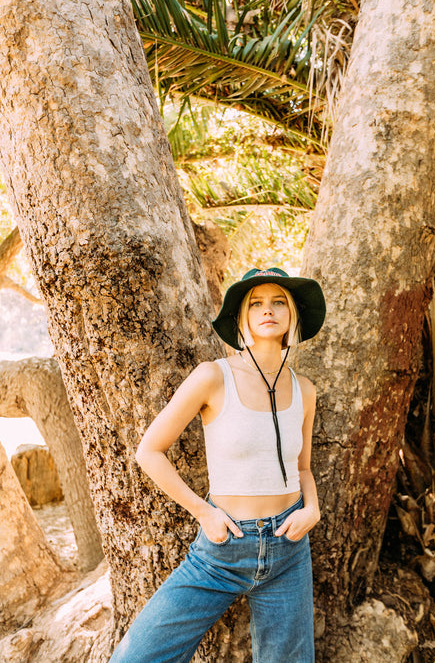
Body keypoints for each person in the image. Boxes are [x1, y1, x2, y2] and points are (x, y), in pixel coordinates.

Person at [110, 267, 326, 663]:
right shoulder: (213, 376)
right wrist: (203, 512)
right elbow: (149, 451)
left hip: (290, 548)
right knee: (136, 657)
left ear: (292, 315)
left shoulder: (305, 390)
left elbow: (303, 467)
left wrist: (312, 509)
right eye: (256, 303)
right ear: (241, 318)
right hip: (223, 547)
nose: (268, 310)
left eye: (279, 301)